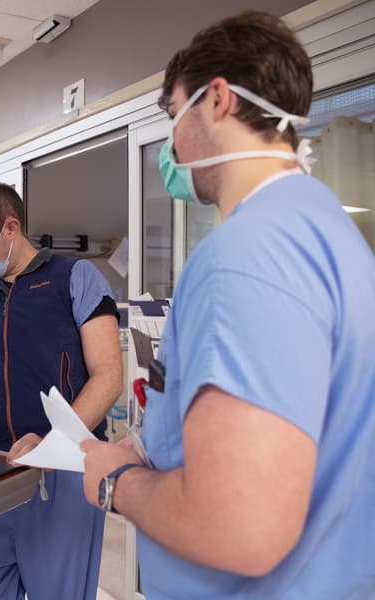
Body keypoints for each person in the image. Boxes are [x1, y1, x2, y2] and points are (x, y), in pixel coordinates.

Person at [81, 11, 375, 600]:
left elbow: (241, 527)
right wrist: (139, 446)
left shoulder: (247, 254)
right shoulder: (329, 232)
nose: (170, 146)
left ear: (217, 100)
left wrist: (116, 482)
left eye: (172, 117)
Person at [0, 181, 123, 599]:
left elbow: (108, 375)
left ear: (11, 227)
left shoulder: (75, 278)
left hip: (67, 469)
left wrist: (53, 444)